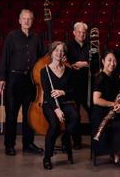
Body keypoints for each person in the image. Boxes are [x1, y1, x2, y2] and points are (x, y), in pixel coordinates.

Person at [0, 9, 44, 156]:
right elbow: (4, 57)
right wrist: (1, 78)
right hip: (14, 80)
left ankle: (28, 144)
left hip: (30, 81)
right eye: (24, 18)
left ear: (33, 20)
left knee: (28, 114)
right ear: (19, 20)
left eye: (29, 19)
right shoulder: (12, 36)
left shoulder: (37, 38)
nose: (27, 21)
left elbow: (42, 60)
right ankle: (9, 145)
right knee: (11, 114)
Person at [41, 41, 79, 170]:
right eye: (56, 50)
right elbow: (47, 95)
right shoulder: (44, 71)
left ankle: (65, 138)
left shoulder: (68, 70)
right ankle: (47, 157)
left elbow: (74, 91)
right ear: (52, 53)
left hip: (65, 102)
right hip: (50, 105)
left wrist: (62, 92)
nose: (59, 53)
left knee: (75, 117)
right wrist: (56, 109)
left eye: (62, 50)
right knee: (54, 125)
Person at [65, 22, 97, 149]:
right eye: (79, 32)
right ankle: (76, 141)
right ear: (74, 32)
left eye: (84, 32)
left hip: (88, 85)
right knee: (75, 115)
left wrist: (85, 64)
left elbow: (96, 62)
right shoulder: (68, 46)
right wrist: (72, 65)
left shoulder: (91, 46)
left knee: (93, 112)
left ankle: (95, 140)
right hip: (72, 85)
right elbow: (65, 62)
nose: (82, 34)